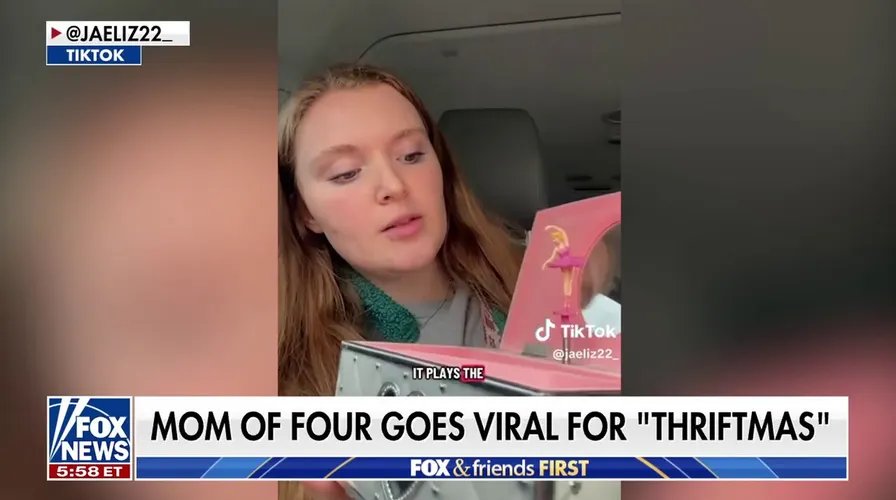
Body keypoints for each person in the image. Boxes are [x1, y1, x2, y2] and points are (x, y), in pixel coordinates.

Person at [278, 63, 524, 499]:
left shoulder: (543, 286)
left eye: (411, 156)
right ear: (305, 214)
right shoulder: (283, 384)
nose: (393, 184)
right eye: (346, 173)